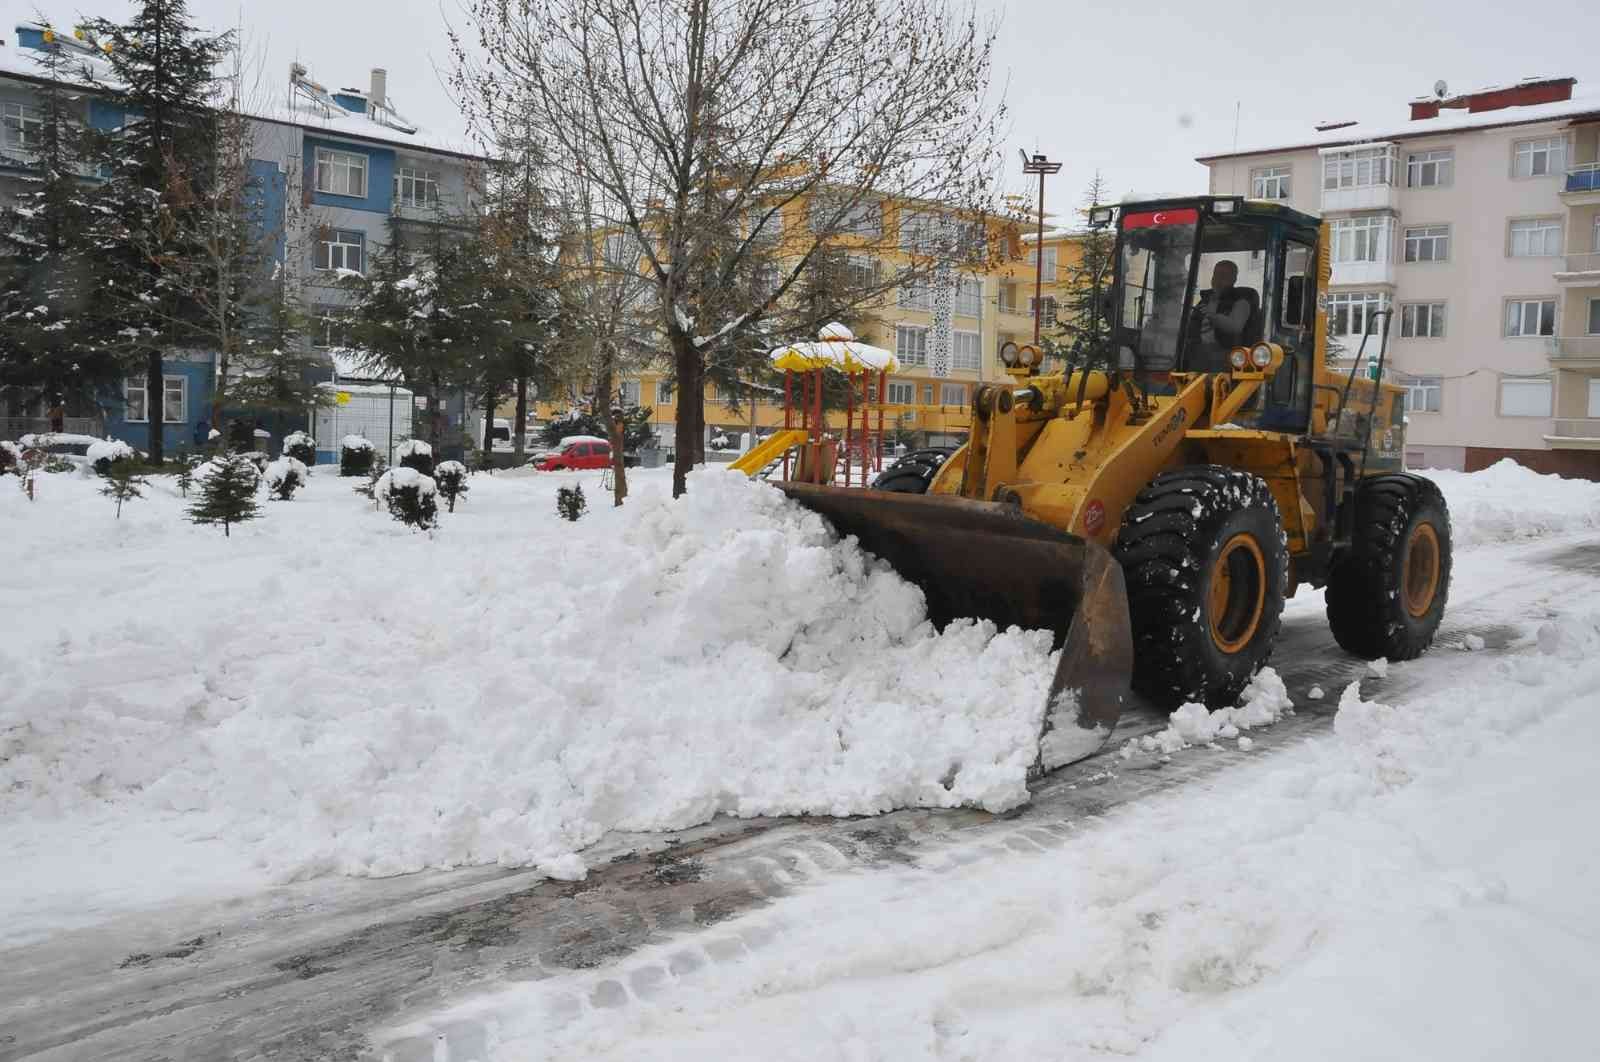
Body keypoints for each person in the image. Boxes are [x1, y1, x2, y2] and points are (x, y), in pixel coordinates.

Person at [1191, 260, 1258, 368]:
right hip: (1197, 353)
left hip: (1227, 356)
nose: (1218, 279)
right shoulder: (1204, 300)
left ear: (1233, 280)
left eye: (1223, 275)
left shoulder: (1241, 301)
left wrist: (1213, 316)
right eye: (1216, 274)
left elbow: (1235, 327)